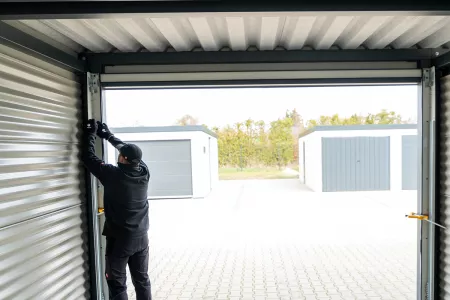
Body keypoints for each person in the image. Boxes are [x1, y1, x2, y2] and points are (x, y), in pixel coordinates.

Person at [83, 119, 151, 300]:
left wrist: (90, 134)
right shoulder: (144, 171)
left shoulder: (113, 175)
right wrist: (108, 135)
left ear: (123, 159)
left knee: (117, 284)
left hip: (120, 240)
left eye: (121, 154)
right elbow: (126, 150)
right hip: (141, 237)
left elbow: (88, 157)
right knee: (142, 280)